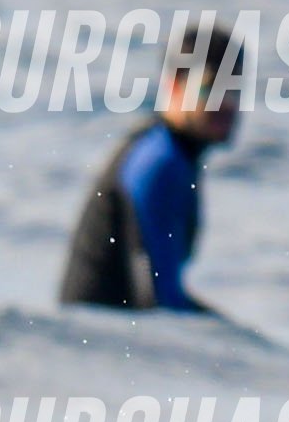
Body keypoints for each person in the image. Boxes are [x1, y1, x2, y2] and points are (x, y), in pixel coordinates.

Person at [57, 18, 241, 314]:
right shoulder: (159, 164)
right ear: (174, 85)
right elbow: (159, 301)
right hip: (96, 334)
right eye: (211, 89)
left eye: (234, 90)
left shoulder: (176, 157)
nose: (228, 104)